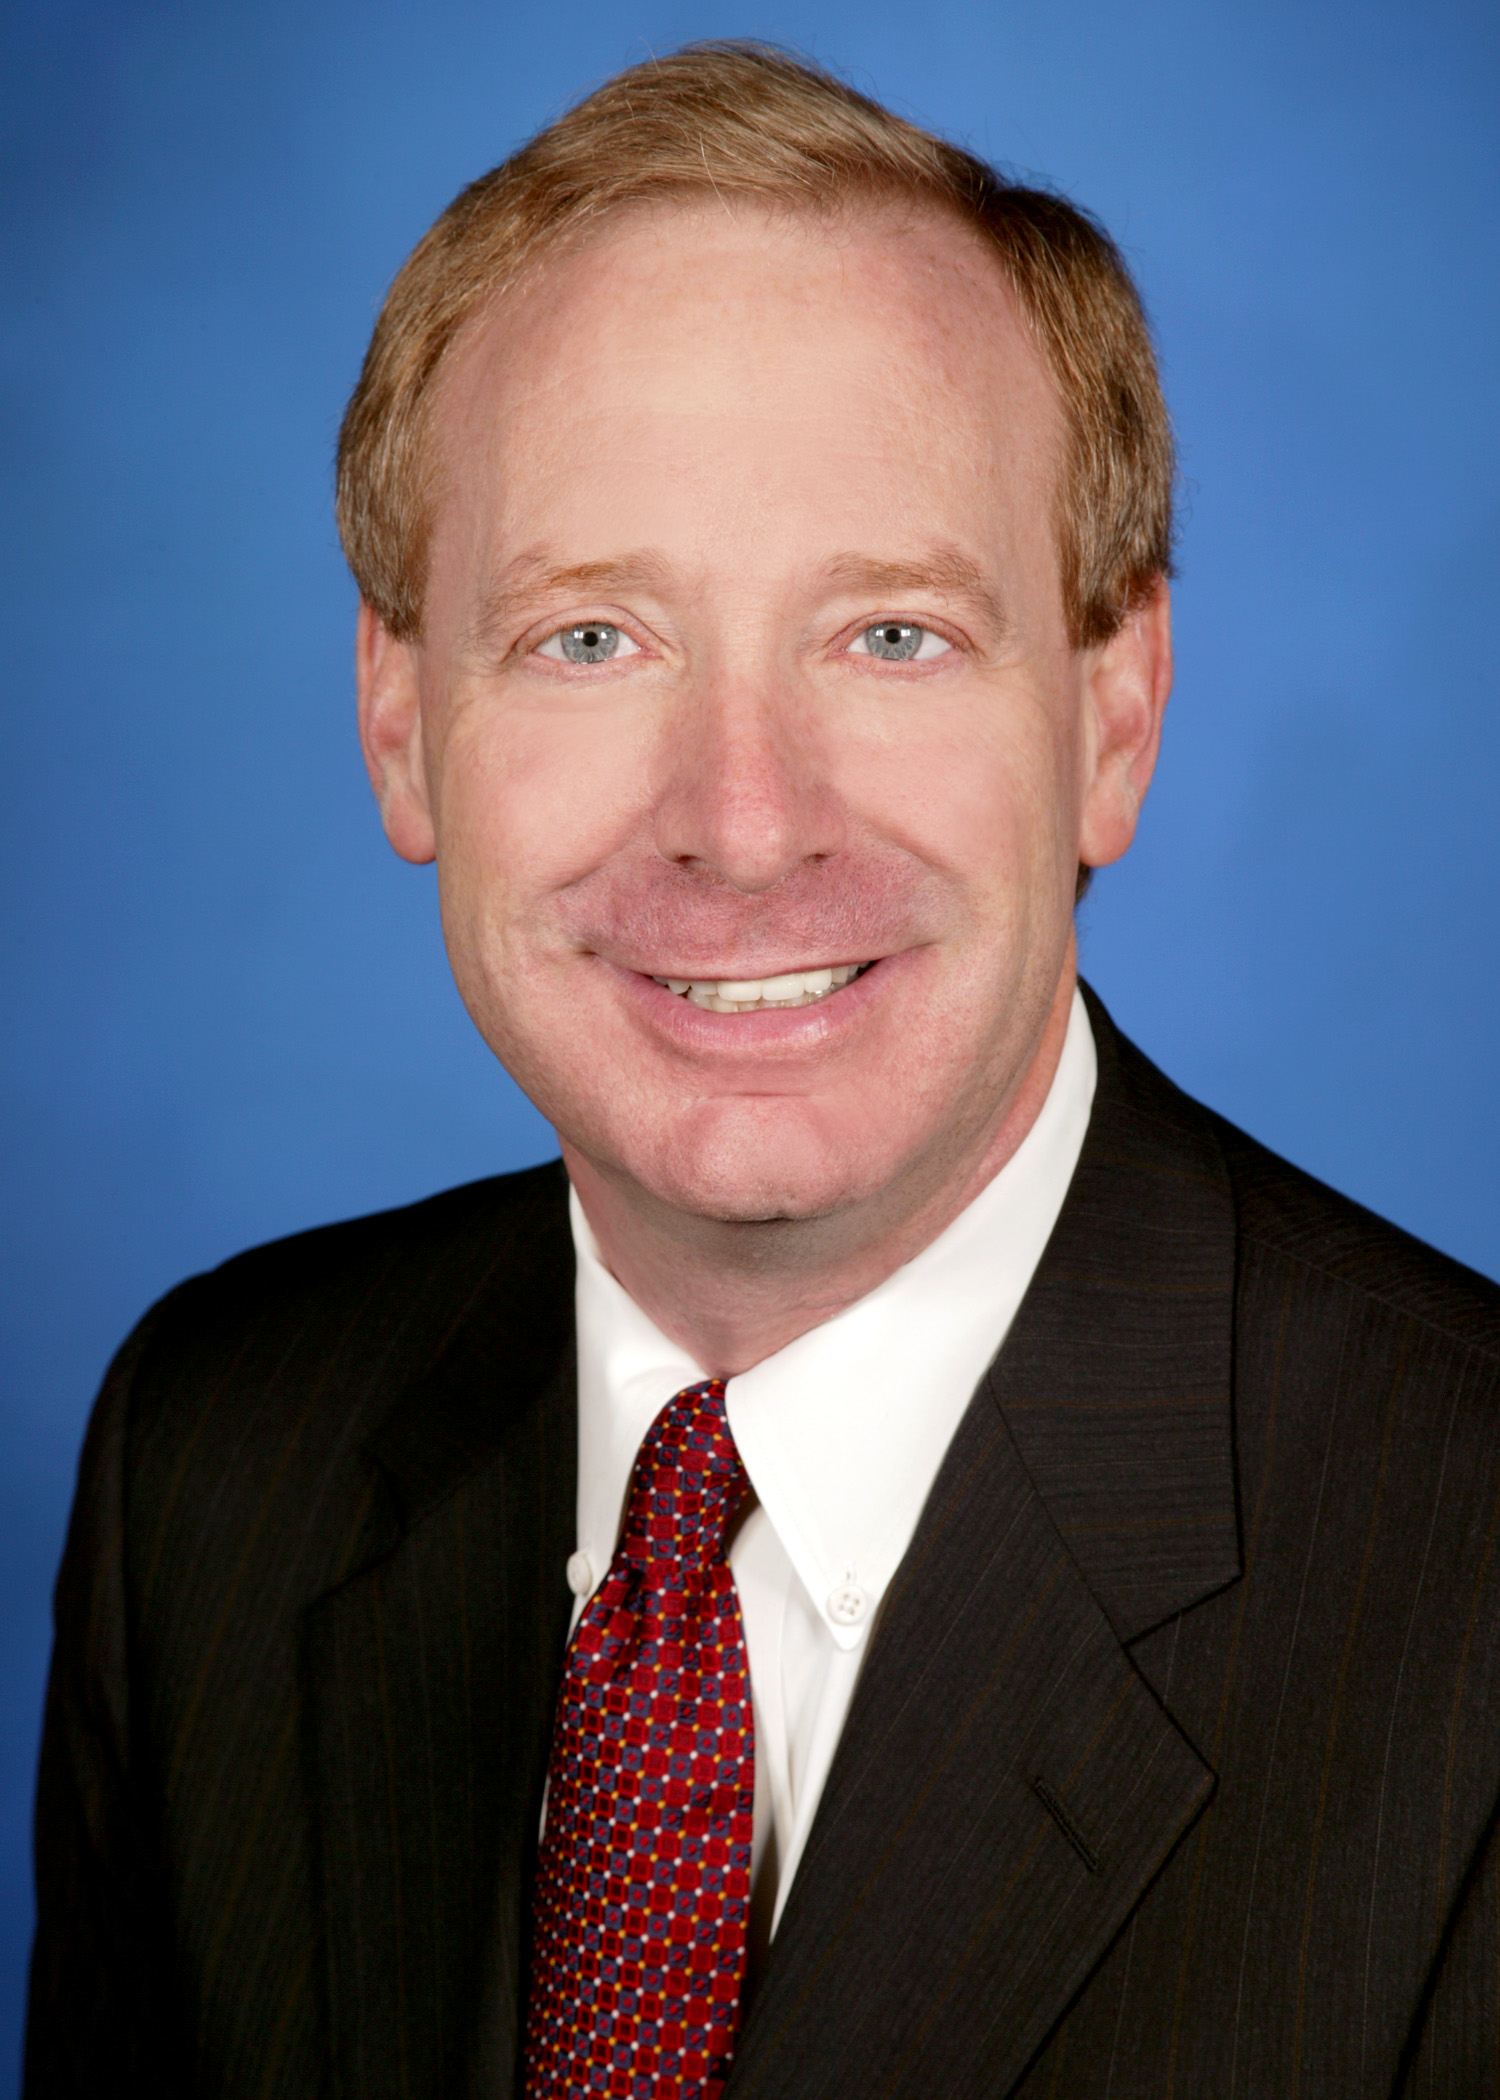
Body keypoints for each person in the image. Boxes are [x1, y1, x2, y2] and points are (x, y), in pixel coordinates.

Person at [25, 41, 1500, 2100]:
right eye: (591, 638)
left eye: (891, 634)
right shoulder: (212, 1462)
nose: (741, 822)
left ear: (1117, 710)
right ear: (399, 718)